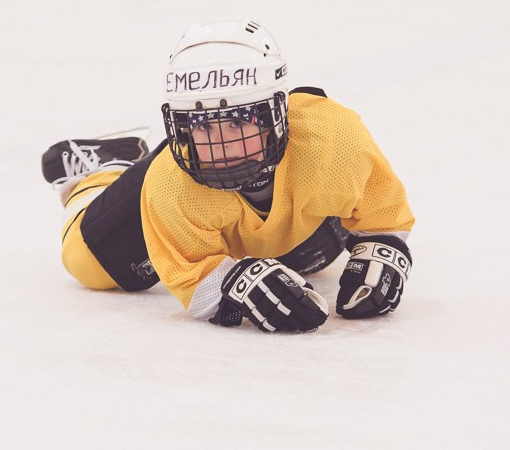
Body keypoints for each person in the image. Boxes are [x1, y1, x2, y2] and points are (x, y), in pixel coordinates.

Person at [40, 20, 414, 333]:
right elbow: (190, 273)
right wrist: (229, 284)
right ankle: (106, 171)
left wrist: (384, 245)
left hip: (295, 230)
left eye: (239, 121)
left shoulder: (333, 139)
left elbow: (380, 208)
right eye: (202, 125)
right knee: (88, 262)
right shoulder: (172, 185)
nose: (222, 148)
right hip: (179, 203)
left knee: (310, 262)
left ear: (277, 114)